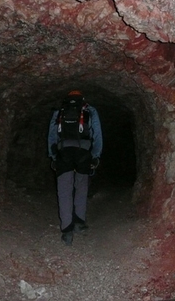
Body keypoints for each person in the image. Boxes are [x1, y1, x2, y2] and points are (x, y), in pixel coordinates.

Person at [48, 90, 103, 246]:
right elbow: (97, 133)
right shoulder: (90, 112)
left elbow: (52, 135)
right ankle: (79, 223)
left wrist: (53, 156)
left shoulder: (59, 112)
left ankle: (67, 231)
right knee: (81, 186)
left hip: (63, 152)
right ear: (82, 100)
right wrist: (96, 155)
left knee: (64, 190)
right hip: (83, 153)